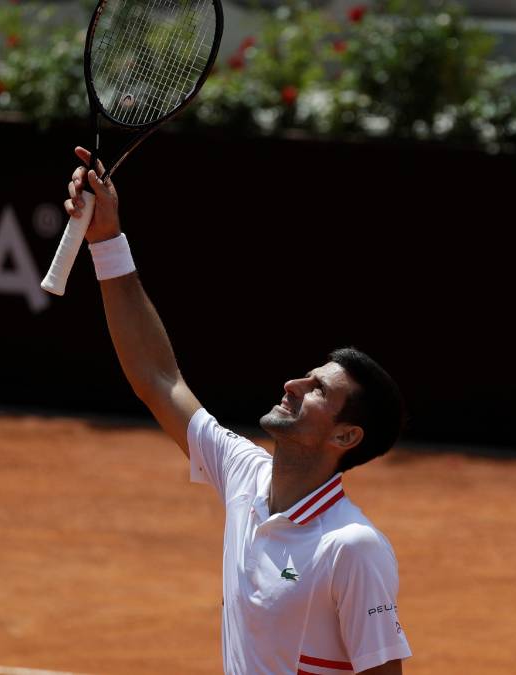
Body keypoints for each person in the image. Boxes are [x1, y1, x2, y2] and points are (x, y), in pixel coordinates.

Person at [64, 147, 411, 675]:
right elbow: (158, 379)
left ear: (345, 436)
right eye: (306, 375)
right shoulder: (245, 476)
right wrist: (106, 240)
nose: (292, 385)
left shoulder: (352, 548)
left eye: (318, 390)